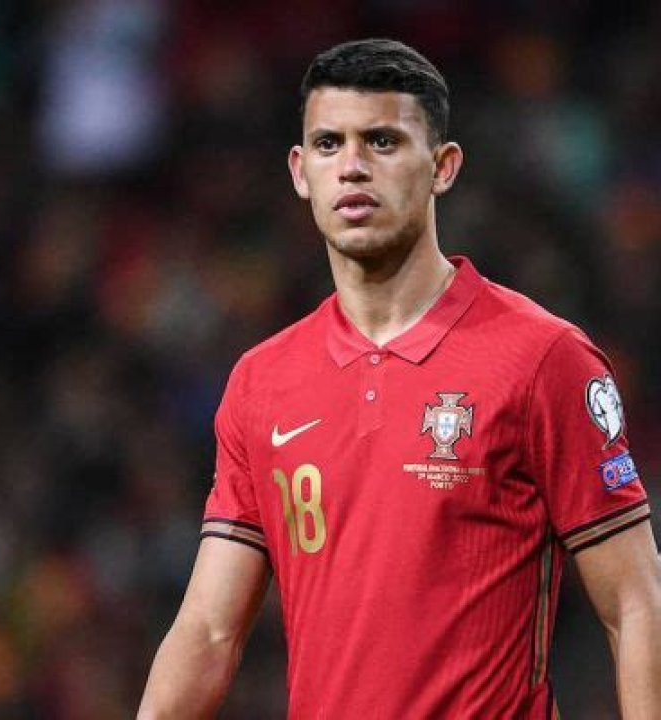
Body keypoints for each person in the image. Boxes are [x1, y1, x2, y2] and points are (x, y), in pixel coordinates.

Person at [137, 39, 661, 719]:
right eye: (329, 144)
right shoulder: (261, 382)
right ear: (300, 171)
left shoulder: (543, 359)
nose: (352, 166)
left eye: (382, 141)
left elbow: (635, 602)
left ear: (443, 167)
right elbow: (209, 631)